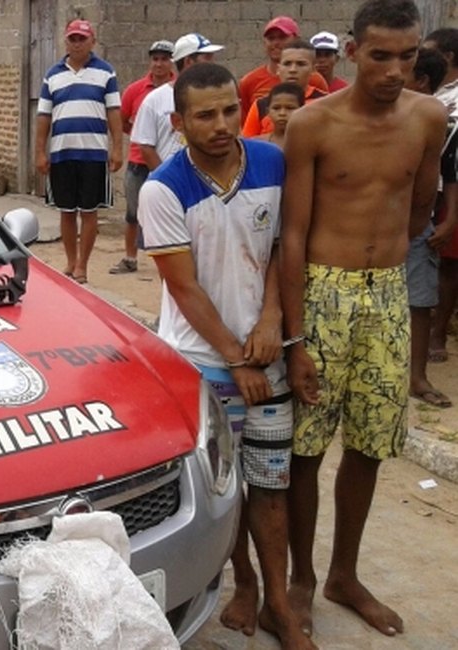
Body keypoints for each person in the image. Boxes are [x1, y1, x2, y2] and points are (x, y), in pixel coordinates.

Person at [281, 0, 447, 638]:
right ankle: (300, 577)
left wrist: (384, 262)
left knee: (374, 443)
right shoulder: (314, 124)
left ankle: (343, 574)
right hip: (322, 291)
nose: (394, 71)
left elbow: (419, 205)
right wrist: (297, 339)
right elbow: (292, 236)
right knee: (306, 445)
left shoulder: (429, 118)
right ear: (352, 53)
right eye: (380, 56)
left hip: (387, 296)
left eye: (407, 57)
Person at [140, 62, 315, 650]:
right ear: (179, 120)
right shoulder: (163, 188)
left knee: (271, 484)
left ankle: (280, 606)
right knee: (223, 488)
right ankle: (242, 584)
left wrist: (271, 321)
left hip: (264, 353)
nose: (220, 125)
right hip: (201, 363)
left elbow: (277, 253)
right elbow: (185, 289)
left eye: (228, 111)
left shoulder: (270, 162)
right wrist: (236, 358)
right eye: (205, 115)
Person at [35, 18, 123, 284]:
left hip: (94, 154)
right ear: (66, 41)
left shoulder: (106, 72)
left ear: (92, 41)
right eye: (72, 38)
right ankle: (70, 262)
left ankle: (83, 265)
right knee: (66, 211)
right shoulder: (52, 75)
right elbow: (43, 116)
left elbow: (114, 112)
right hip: (62, 153)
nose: (77, 43)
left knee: (89, 211)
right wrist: (40, 151)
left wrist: (117, 148)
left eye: (82, 38)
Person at [403, 47, 454, 407]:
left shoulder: (438, 120)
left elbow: (450, 170)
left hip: (420, 219)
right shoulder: (381, 114)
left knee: (419, 300)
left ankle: (417, 377)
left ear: (420, 80)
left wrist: (450, 218)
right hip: (373, 223)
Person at [111, 39, 175, 275]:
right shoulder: (135, 90)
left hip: (166, 161)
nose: (159, 64)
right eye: (155, 59)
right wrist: (140, 137)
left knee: (168, 212)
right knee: (133, 213)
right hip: (139, 161)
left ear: (172, 62)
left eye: (164, 59)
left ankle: (170, 260)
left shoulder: (177, 90)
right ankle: (130, 258)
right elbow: (122, 118)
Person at [131, 33, 224, 173]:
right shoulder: (154, 100)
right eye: (207, 57)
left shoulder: (215, 97)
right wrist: (167, 179)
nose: (212, 62)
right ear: (188, 61)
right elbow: (146, 146)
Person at [424, 27, 458, 363]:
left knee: (448, 262)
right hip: (426, 189)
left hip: (450, 187)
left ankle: (439, 332)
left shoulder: (455, 97)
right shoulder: (430, 92)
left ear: (447, 56)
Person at [239, 16, 329, 115]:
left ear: (296, 39)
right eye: (271, 38)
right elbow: (244, 123)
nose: (276, 43)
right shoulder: (249, 82)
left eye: (282, 37)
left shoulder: (315, 80)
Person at [243, 39, 328, 137]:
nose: (293, 70)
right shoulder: (261, 105)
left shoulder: (327, 103)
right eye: (287, 64)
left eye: (301, 64)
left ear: (313, 69)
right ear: (278, 69)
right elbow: (248, 145)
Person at [259, 83, 305, 149]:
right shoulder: (259, 143)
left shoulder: (311, 143)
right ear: (267, 112)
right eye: (276, 108)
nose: (282, 113)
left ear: (302, 110)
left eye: (290, 108)